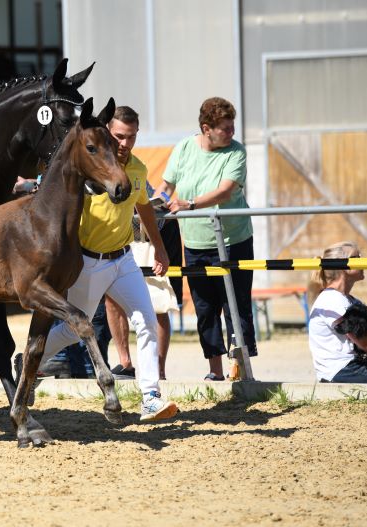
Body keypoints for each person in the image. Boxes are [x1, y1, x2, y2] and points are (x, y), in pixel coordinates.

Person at [38, 105, 178, 421]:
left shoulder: (138, 170)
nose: (125, 143)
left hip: (123, 259)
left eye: (131, 137)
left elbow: (144, 209)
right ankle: (30, 361)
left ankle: (150, 397)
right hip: (90, 263)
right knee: (74, 330)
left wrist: (160, 249)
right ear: (107, 134)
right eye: (119, 136)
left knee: (146, 321)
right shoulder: (91, 171)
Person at [155, 96, 257, 381]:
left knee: (235, 306)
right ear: (206, 128)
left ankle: (242, 370)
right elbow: (166, 186)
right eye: (225, 127)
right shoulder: (185, 147)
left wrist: (188, 204)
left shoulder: (237, 152)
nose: (231, 132)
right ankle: (215, 371)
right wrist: (154, 205)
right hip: (195, 242)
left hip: (233, 239)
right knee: (205, 309)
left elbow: (225, 192)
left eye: (232, 126)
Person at [106, 180, 183, 381]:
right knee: (112, 301)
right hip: (119, 242)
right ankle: (125, 364)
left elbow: (155, 205)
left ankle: (158, 369)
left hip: (148, 241)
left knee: (158, 302)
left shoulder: (135, 170)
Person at [308, 241, 367, 383]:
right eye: (357, 257)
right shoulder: (332, 300)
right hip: (342, 370)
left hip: (353, 365)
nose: (363, 261)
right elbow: (364, 341)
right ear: (343, 266)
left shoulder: (349, 300)